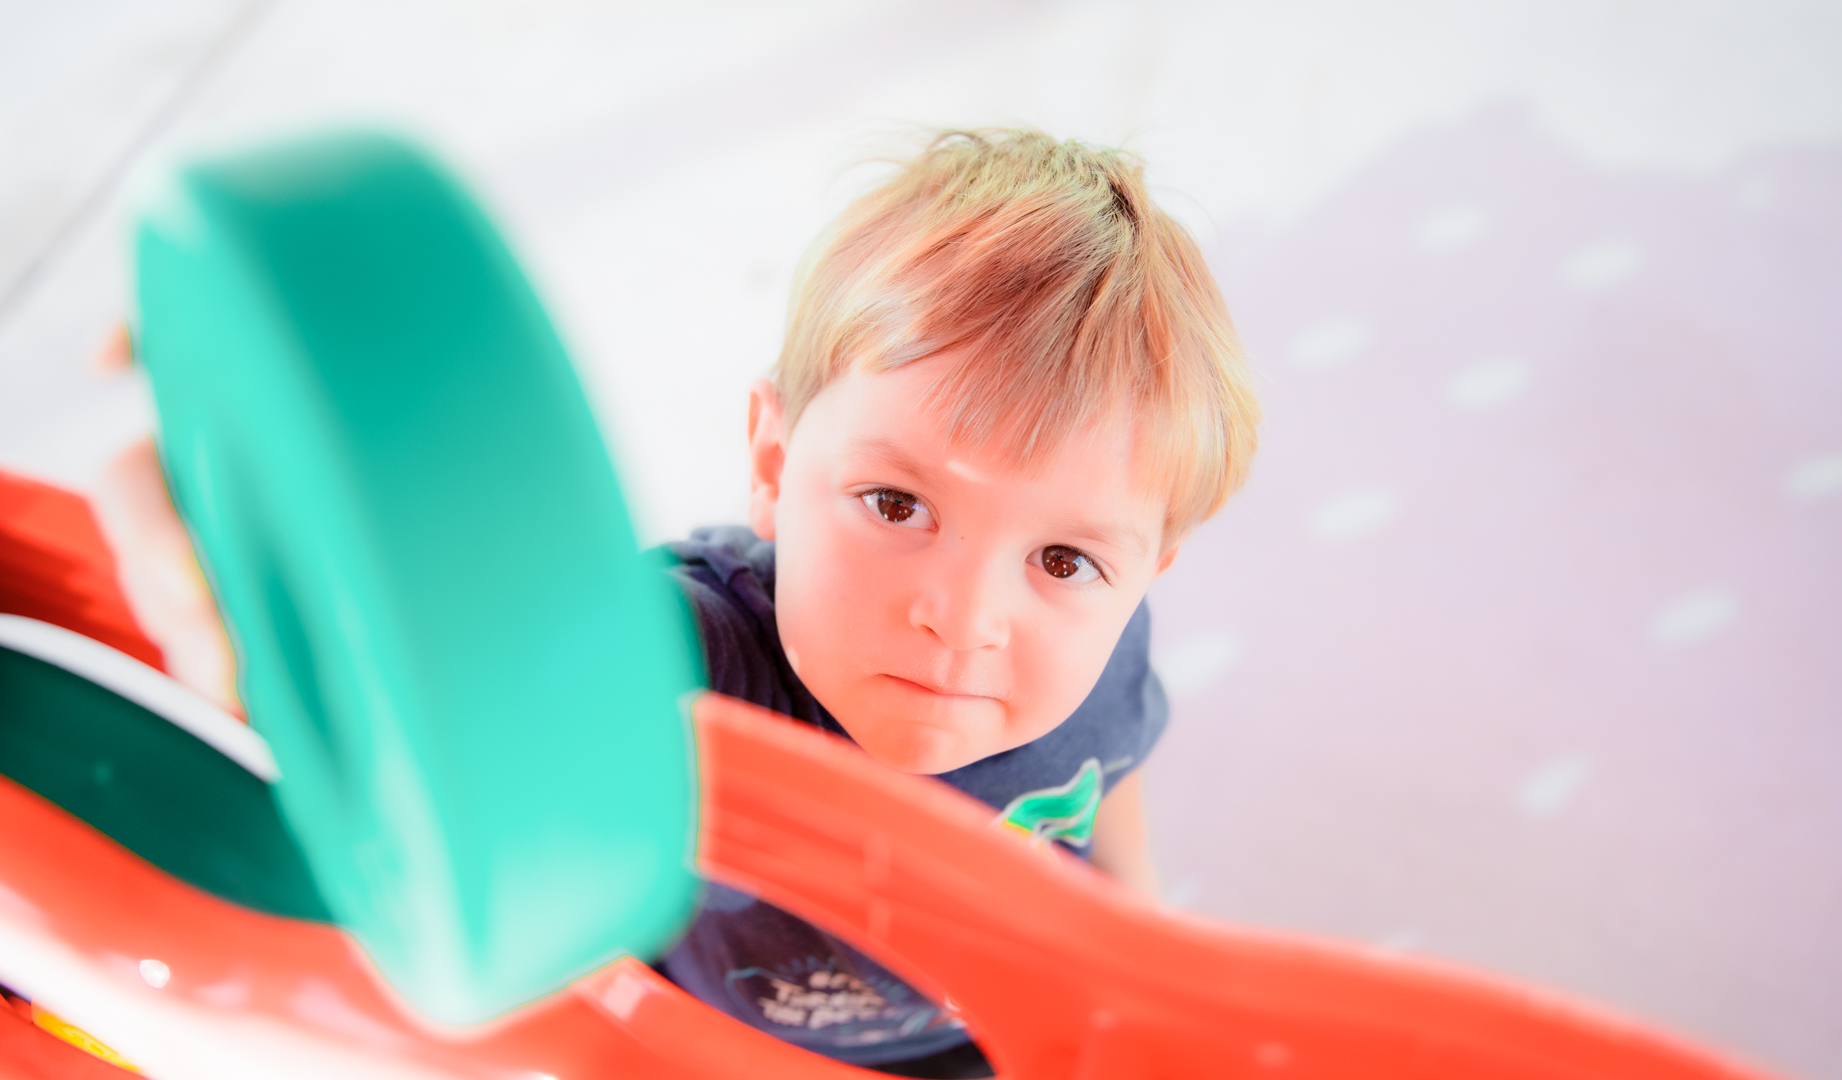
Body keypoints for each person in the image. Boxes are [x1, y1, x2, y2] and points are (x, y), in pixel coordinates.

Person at [93, 129, 1259, 1078]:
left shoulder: (1099, 647)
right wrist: (240, 567)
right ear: (772, 463)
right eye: (897, 505)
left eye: (1061, 561)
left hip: (975, 1036)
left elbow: (1117, 779)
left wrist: (1136, 963)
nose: (964, 619)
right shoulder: (685, 658)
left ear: (1145, 573)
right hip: (699, 1041)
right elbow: (447, 695)